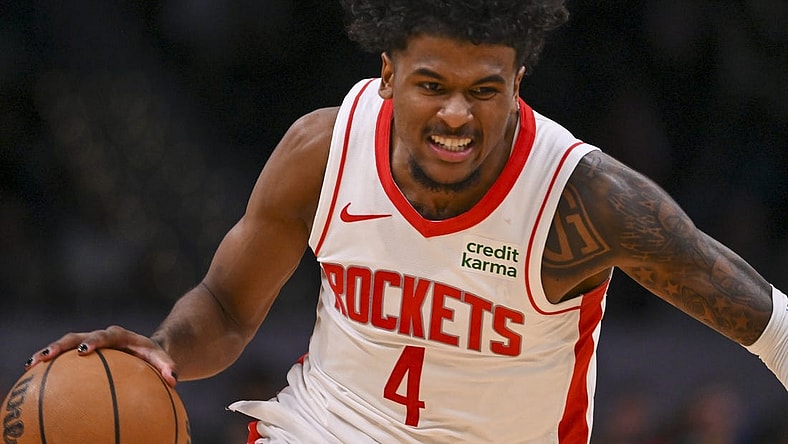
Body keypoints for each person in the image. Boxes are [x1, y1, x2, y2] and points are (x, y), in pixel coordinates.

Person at [24, 1, 787, 443]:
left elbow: (768, 323)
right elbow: (224, 307)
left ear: (518, 80)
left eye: (484, 90)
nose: (456, 113)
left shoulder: (583, 199)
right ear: (387, 71)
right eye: (431, 84)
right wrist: (161, 350)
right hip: (323, 429)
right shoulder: (322, 151)